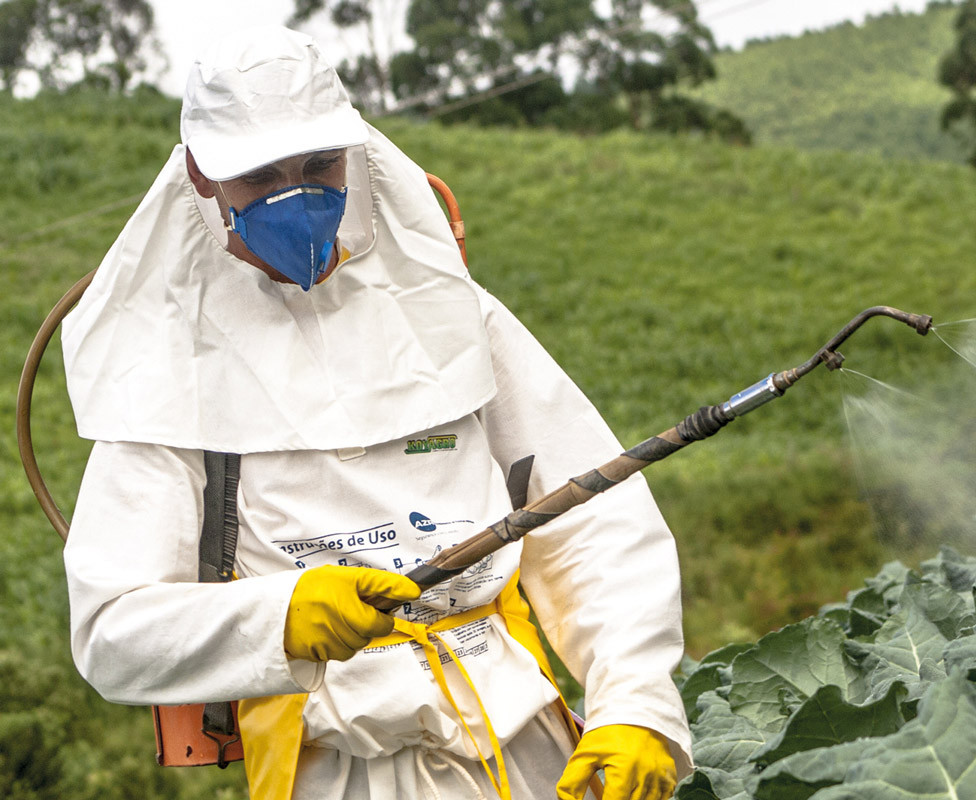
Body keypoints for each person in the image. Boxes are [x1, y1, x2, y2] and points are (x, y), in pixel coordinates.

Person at [61, 26, 692, 800]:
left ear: (355, 152)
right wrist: (281, 615)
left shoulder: (449, 312)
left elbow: (594, 514)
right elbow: (113, 633)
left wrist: (636, 706)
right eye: (261, 174)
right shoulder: (162, 363)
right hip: (336, 771)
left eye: (320, 165)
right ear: (202, 174)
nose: (297, 191)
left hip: (527, 751)